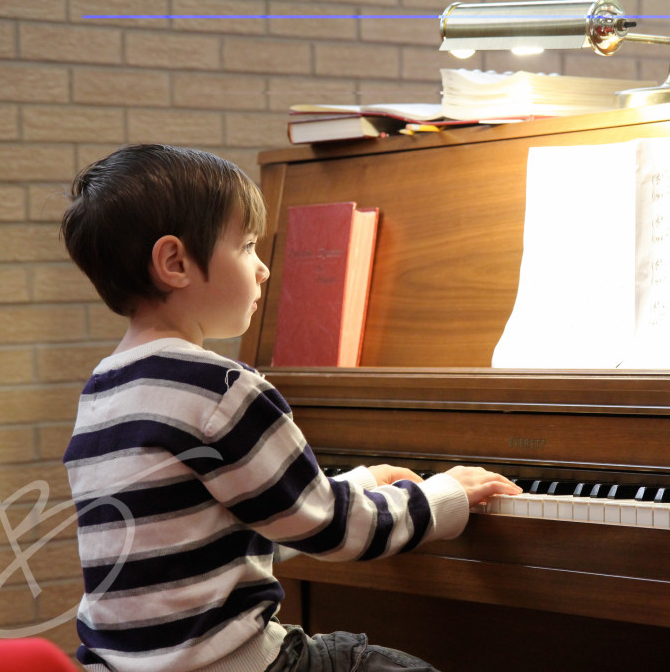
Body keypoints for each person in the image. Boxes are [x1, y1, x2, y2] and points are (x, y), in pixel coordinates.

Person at [59, 144, 521, 672]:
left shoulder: (103, 389)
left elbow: (228, 525)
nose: (263, 271)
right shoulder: (219, 386)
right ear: (175, 262)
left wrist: (362, 481)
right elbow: (328, 528)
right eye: (249, 246)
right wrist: (444, 495)